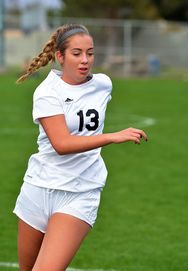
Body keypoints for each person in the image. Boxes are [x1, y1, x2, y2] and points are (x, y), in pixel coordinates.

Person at [14, 23, 148, 271]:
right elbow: (62, 144)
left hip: (80, 192)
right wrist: (111, 137)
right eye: (77, 53)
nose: (85, 60)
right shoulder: (46, 92)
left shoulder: (103, 84)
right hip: (38, 189)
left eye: (90, 53)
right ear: (60, 57)